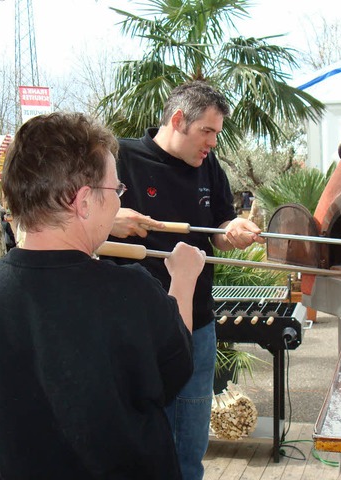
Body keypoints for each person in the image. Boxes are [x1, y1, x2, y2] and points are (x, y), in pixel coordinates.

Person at [0, 112, 206, 479]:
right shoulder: (130, 292)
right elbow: (176, 366)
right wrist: (183, 279)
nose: (119, 203)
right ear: (84, 201)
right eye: (116, 190)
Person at [108, 81, 263, 480]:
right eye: (206, 131)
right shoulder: (119, 158)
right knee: (128, 440)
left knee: (188, 447)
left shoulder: (208, 166)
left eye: (217, 133)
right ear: (178, 120)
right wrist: (110, 220)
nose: (212, 142)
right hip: (130, 327)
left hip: (196, 324)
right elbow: (72, 222)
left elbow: (217, 228)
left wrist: (233, 230)